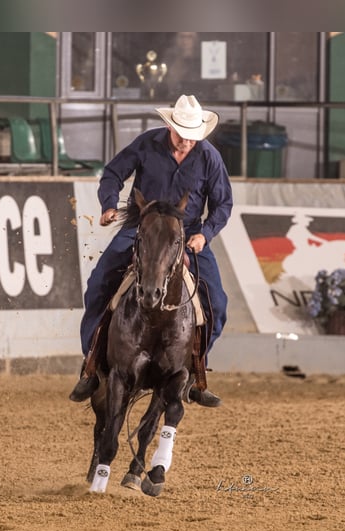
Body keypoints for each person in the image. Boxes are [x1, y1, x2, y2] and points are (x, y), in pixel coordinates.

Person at [69, 94, 233, 408]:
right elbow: (114, 173)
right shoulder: (147, 144)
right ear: (169, 127)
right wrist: (108, 206)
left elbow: (223, 203)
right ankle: (91, 365)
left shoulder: (209, 157)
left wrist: (205, 235)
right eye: (181, 134)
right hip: (140, 228)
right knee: (98, 285)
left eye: (191, 136)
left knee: (218, 304)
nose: (185, 141)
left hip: (184, 236)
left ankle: (195, 373)